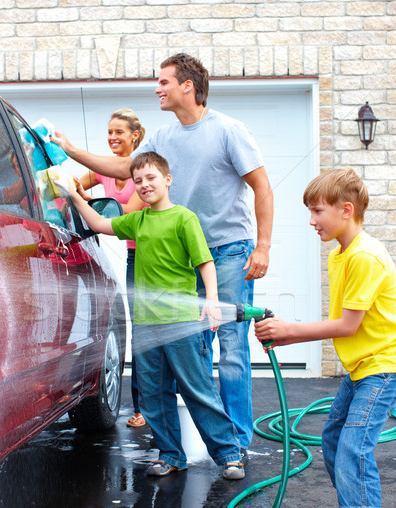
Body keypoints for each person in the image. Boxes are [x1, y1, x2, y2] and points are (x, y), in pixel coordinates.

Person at [52, 53, 274, 462]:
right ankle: (189, 445)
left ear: (186, 86)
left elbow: (262, 187)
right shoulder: (164, 137)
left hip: (227, 251)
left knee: (230, 345)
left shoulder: (228, 130)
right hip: (181, 257)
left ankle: (238, 441)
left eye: (163, 82)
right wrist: (72, 151)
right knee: (191, 348)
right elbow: (122, 166)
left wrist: (262, 247)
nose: (157, 88)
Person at [60, 151, 246, 480]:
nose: (145, 185)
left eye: (151, 178)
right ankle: (171, 454)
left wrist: (213, 301)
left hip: (182, 322)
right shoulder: (137, 220)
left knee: (196, 388)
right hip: (146, 324)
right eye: (139, 181)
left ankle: (229, 454)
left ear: (167, 180)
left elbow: (205, 262)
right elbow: (100, 224)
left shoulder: (184, 219)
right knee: (152, 393)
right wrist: (75, 196)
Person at [254, 169, 395, 508]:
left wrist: (289, 331)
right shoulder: (340, 252)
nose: (312, 220)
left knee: (354, 447)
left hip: (382, 367)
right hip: (360, 367)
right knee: (333, 439)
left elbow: (349, 326)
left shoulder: (364, 257)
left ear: (345, 210)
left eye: (317, 211)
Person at [78, 108, 147, 428]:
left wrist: (91, 208)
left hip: (156, 254)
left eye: (119, 132)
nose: (112, 138)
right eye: (109, 132)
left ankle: (149, 406)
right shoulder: (104, 171)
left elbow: (125, 216)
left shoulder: (142, 170)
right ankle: (143, 406)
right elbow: (75, 187)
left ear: (135, 135)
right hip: (135, 255)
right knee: (139, 333)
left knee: (151, 332)